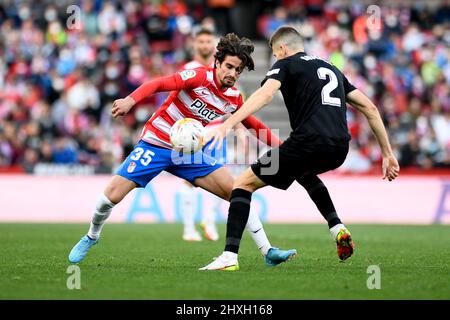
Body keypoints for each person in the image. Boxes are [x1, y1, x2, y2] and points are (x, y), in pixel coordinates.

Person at [68, 33, 297, 268]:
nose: (232, 74)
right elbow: (158, 83)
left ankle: (267, 251)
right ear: (217, 62)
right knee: (110, 197)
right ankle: (91, 236)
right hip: (157, 143)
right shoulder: (198, 76)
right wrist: (130, 100)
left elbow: (255, 126)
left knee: (238, 192)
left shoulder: (233, 98)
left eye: (238, 70)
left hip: (187, 152)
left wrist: (289, 149)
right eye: (229, 66)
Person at [200, 26, 400, 271]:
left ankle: (229, 256)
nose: (275, 58)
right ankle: (337, 226)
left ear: (282, 48)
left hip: (308, 141)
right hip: (338, 148)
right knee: (303, 171)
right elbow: (370, 108)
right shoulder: (333, 69)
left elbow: (265, 94)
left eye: (275, 53)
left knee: (242, 184)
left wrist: (228, 124)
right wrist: (388, 154)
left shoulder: (286, 64)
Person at [179, 28, 221, 242]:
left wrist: (240, 130)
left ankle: (209, 219)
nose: (205, 45)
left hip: (218, 130)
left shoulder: (220, 69)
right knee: (189, 179)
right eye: (201, 41)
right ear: (194, 44)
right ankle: (188, 229)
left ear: (213, 44)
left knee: (222, 177)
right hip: (194, 131)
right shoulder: (188, 69)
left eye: (208, 41)